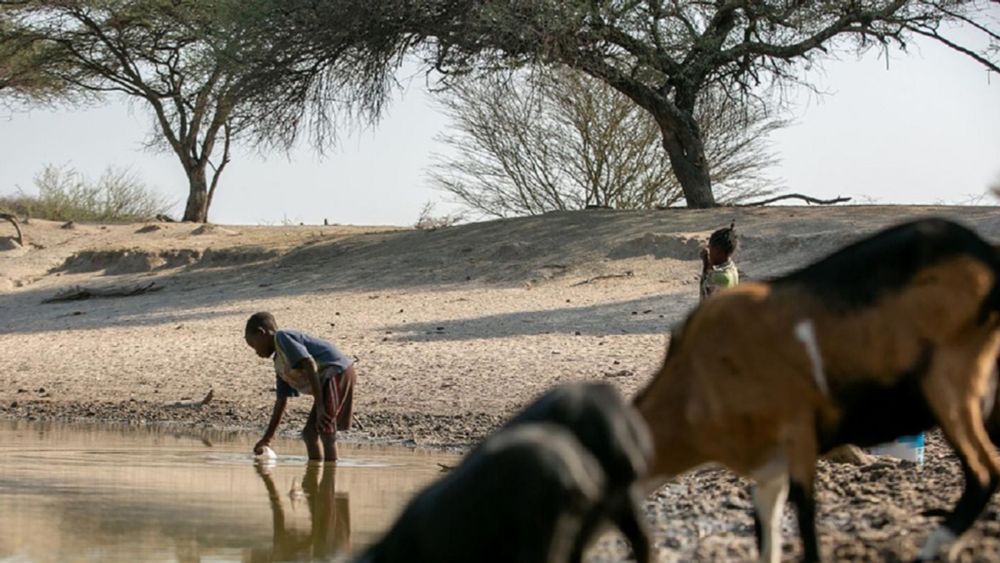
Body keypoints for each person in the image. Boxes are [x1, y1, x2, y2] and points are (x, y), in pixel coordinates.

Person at [245, 312, 356, 461]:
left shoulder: (282, 338)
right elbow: (281, 401)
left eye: (253, 345)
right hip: (325, 383)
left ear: (261, 333)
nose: (256, 352)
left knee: (325, 430)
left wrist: (320, 406)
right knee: (310, 433)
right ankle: (315, 477)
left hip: (336, 373)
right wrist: (268, 437)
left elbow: (309, 363)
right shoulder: (281, 364)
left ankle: (329, 479)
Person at [699, 221, 740, 301]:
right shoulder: (731, 267)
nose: (709, 252)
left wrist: (705, 264)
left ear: (717, 250)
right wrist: (707, 262)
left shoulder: (718, 277)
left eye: (710, 248)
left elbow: (704, 294)